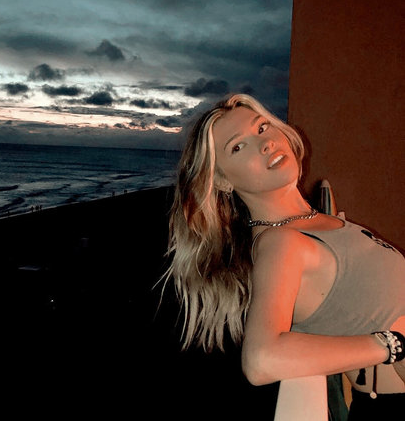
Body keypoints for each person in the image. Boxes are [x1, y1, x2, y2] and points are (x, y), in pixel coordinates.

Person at [164, 93, 405, 419]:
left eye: (262, 128)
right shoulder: (281, 243)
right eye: (238, 147)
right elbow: (261, 361)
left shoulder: (318, 221)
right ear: (221, 180)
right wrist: (390, 345)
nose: (264, 143)